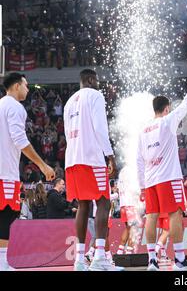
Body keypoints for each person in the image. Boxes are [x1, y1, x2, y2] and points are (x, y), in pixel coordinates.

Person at [137, 59, 187, 271]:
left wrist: (142, 185)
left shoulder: (143, 129)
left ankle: (151, 260)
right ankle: (180, 259)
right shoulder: (167, 121)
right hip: (168, 178)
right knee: (175, 215)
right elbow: (186, 104)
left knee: (151, 217)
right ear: (166, 109)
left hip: (151, 180)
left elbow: (139, 159)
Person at [0, 72, 55, 271]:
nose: (27, 88)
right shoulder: (14, 107)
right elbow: (20, 140)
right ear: (15, 86)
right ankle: (2, 264)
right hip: (4, 172)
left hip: (5, 169)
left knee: (7, 215)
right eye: (25, 84)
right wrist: (43, 165)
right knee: (6, 215)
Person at [64, 69, 117, 271]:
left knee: (83, 206)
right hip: (91, 157)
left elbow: (68, 133)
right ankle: (100, 257)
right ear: (90, 79)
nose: (98, 83)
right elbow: (100, 127)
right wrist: (110, 155)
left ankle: (79, 260)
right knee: (103, 203)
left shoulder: (69, 101)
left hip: (73, 159)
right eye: (96, 80)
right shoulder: (95, 95)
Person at [116, 166, 139, 256]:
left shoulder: (122, 172)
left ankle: (120, 250)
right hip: (131, 205)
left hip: (123, 205)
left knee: (127, 228)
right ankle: (129, 252)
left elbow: (118, 190)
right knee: (133, 230)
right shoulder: (133, 171)